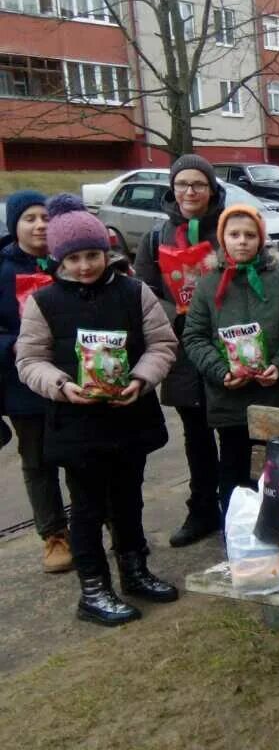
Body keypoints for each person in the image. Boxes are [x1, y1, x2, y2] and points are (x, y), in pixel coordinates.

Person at [16, 195, 179, 626]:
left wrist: (142, 380)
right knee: (87, 507)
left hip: (129, 416)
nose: (85, 266)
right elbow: (29, 360)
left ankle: (134, 569)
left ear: (106, 252)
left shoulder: (134, 291)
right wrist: (62, 386)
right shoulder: (43, 302)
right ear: (59, 260)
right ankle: (93, 588)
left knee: (128, 499)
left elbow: (163, 344)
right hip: (76, 422)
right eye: (73, 258)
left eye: (93, 255)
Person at [182, 205, 279, 515]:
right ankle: (236, 535)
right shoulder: (209, 284)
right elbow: (194, 337)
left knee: (278, 470)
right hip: (230, 399)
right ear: (222, 238)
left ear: (261, 239)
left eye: (250, 235)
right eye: (234, 234)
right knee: (235, 471)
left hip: (275, 397)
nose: (242, 242)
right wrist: (220, 371)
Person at [134, 154, 227, 547]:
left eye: (198, 184)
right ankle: (203, 508)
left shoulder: (228, 229)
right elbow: (145, 294)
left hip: (230, 345)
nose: (190, 192)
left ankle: (242, 506)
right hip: (183, 348)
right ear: (172, 189)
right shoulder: (156, 237)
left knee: (238, 432)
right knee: (197, 433)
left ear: (211, 189)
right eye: (182, 184)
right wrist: (178, 307)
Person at [0, 191, 69, 572]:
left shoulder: (70, 258)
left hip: (74, 378)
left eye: (45, 217)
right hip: (22, 383)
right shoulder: (3, 270)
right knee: (38, 462)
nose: (40, 224)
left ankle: (99, 520)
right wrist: (20, 346)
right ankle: (54, 535)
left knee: (82, 455)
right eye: (29, 218)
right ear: (15, 226)